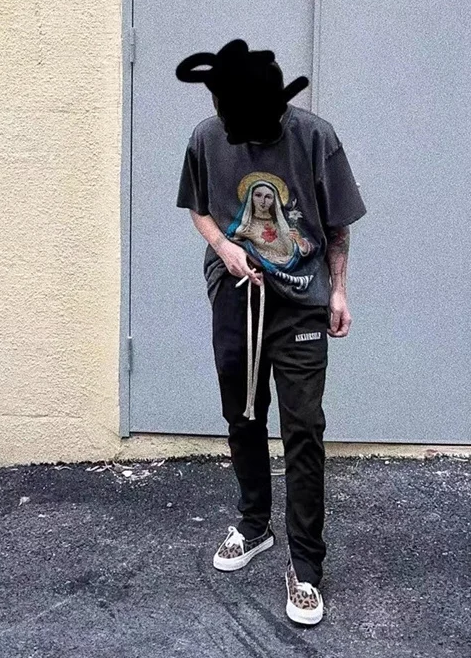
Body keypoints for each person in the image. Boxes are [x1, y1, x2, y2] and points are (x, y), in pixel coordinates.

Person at [175, 38, 366, 626]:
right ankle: (254, 523)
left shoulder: (316, 138)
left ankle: (306, 566)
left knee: (303, 427)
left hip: (302, 300)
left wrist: (338, 290)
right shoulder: (207, 137)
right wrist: (223, 246)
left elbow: (337, 226)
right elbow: (198, 206)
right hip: (238, 293)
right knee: (243, 412)